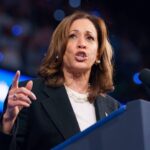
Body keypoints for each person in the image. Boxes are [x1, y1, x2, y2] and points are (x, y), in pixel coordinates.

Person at [0, 11, 120, 150]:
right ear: (60, 48)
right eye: (73, 36)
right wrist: (7, 124)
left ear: (98, 53)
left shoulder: (112, 109)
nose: (82, 44)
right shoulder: (30, 93)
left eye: (90, 38)